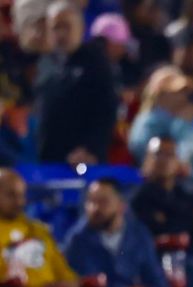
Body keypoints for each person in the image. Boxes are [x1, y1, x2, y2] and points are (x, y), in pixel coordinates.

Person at [130, 135, 193, 287]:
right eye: (158, 154)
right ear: (147, 160)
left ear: (178, 161)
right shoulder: (137, 199)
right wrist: (188, 222)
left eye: (170, 155)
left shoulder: (192, 195)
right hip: (153, 263)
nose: (164, 160)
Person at [35, 0, 117, 166]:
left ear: (81, 28)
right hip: (48, 158)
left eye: (66, 26)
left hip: (80, 161)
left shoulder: (96, 62)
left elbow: (106, 111)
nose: (61, 33)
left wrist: (90, 148)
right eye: (56, 27)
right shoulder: (46, 62)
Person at [63, 178, 169, 287]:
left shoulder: (139, 235)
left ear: (121, 205)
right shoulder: (77, 239)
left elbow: (156, 281)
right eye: (91, 201)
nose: (95, 208)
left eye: (103, 201)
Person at [0, 168, 77, 287]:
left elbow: (64, 274)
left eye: (21, 195)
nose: (19, 202)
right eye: (11, 195)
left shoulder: (39, 230)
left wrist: (73, 284)